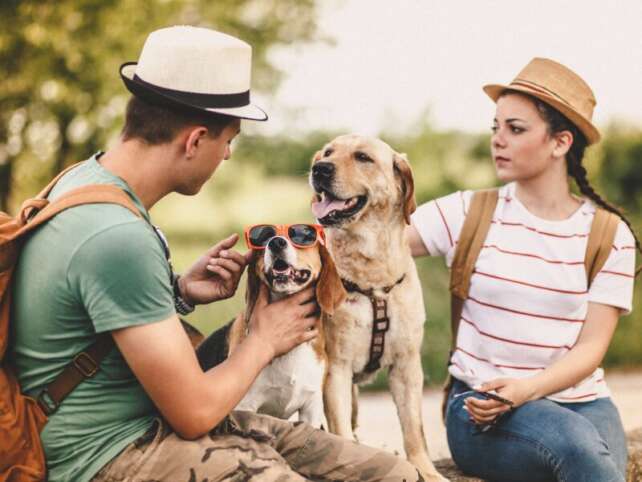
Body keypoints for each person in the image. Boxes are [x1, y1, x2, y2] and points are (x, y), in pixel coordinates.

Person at [11, 26, 422, 482]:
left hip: (150, 424)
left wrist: (181, 292)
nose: (227, 156)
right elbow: (195, 412)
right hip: (106, 453)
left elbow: (99, 309)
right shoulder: (117, 236)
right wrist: (263, 339)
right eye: (228, 142)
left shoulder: (86, 181)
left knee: (392, 473)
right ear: (194, 140)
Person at [406, 58, 639, 482]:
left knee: (589, 452)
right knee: (580, 450)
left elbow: (591, 348)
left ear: (560, 142)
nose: (498, 140)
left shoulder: (608, 235)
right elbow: (376, 247)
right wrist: (290, 239)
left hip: (583, 403)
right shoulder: (467, 212)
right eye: (495, 127)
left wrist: (528, 390)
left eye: (515, 129)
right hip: (482, 408)